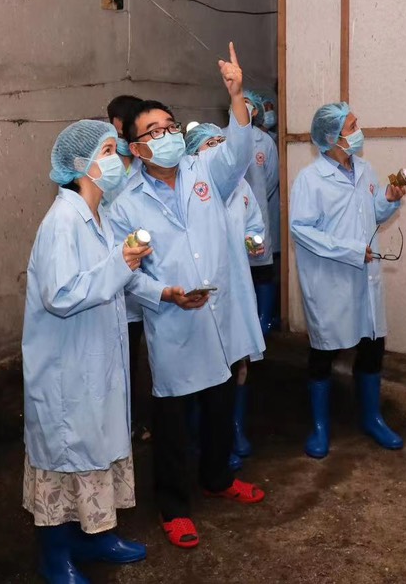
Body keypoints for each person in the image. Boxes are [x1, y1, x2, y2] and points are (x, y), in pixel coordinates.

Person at [109, 44, 267, 549]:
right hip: (173, 319)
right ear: (136, 149)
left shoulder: (205, 172)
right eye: (153, 132)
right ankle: (173, 507)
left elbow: (238, 151)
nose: (167, 135)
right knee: (173, 421)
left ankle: (217, 478)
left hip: (217, 313)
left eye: (170, 126)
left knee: (221, 404)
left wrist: (236, 94)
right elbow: (126, 272)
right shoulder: (125, 203)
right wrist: (165, 294)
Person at [23, 120, 170, 583]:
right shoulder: (62, 222)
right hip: (66, 370)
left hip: (97, 362)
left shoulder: (98, 215)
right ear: (79, 165)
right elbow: (60, 294)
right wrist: (121, 262)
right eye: (107, 151)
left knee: (99, 448)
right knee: (66, 457)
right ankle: (55, 556)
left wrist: (151, 283)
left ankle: (95, 536)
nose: (118, 158)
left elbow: (113, 280)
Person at [288, 102, 406, 460]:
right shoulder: (310, 180)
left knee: (372, 348)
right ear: (331, 137)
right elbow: (301, 230)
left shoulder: (365, 169)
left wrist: (388, 199)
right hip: (330, 281)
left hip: (365, 278)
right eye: (352, 127)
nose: (359, 132)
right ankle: (320, 427)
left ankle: (372, 418)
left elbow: (373, 213)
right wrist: (351, 250)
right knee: (324, 353)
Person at [184, 122, 267, 470]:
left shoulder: (242, 187)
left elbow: (255, 224)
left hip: (238, 289)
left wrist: (254, 240)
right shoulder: (190, 190)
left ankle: (234, 429)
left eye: (222, 140)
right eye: (210, 143)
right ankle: (199, 436)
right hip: (204, 292)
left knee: (238, 363)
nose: (219, 146)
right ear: (193, 155)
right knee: (202, 369)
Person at [106, 94, 150, 442]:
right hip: (115, 275)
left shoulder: (145, 165)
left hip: (148, 273)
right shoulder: (103, 167)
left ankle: (141, 416)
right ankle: (125, 422)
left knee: (149, 355)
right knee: (123, 356)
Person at [241, 90, 280, 334]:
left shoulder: (265, 142)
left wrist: (254, 203)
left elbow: (272, 178)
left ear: (255, 111)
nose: (240, 106)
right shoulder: (221, 137)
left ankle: (264, 320)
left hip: (258, 212)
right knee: (237, 271)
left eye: (246, 103)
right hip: (228, 217)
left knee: (262, 269)